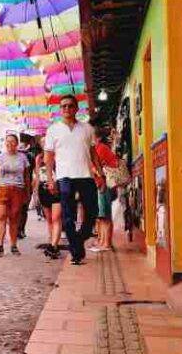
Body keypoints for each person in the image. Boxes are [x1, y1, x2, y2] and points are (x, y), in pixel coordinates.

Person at [44, 95, 104, 265]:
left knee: (92, 213)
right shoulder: (53, 130)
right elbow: (48, 158)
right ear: (60, 110)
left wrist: (101, 175)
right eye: (63, 106)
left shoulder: (87, 128)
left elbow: (93, 154)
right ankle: (76, 252)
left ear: (77, 108)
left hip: (86, 175)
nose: (67, 109)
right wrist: (50, 179)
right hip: (64, 177)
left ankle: (78, 241)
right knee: (68, 216)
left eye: (70, 106)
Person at [0, 133, 30, 256]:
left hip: (18, 189)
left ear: (17, 144)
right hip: (2, 189)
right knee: (0, 216)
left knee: (14, 217)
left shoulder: (23, 158)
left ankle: (13, 245)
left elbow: (27, 176)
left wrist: (27, 193)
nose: (10, 144)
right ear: (5, 143)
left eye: (13, 141)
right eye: (8, 141)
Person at [90, 128, 120, 253]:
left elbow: (96, 169)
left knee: (104, 215)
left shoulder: (100, 149)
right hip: (101, 185)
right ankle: (102, 241)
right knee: (101, 216)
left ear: (96, 138)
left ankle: (106, 243)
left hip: (104, 185)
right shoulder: (98, 148)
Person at [35, 136, 63, 259]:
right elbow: (37, 175)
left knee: (56, 217)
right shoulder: (39, 158)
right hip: (43, 189)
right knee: (49, 219)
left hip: (57, 189)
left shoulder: (59, 156)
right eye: (43, 143)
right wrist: (35, 191)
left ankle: (54, 245)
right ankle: (53, 242)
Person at [16, 133, 37, 239]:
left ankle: (21, 229)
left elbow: (32, 171)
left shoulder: (30, 157)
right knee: (16, 209)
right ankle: (16, 229)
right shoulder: (14, 157)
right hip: (16, 186)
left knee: (23, 209)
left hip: (26, 186)